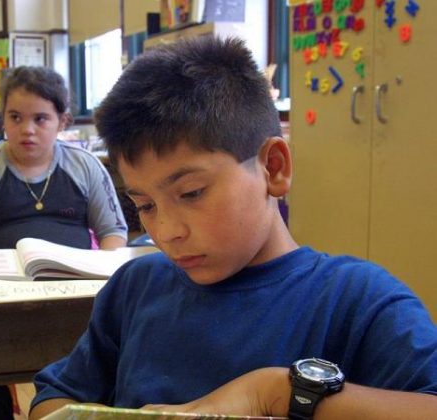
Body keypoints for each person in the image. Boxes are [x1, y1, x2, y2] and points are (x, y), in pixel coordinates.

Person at [30, 37, 437, 419]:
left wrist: (274, 392)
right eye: (146, 206)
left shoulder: (357, 300)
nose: (166, 231)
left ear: (273, 168)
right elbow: (53, 396)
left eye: (191, 193)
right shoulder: (136, 287)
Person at [0, 66, 128, 419]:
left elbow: (114, 233)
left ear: (62, 121)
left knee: (103, 376)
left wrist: (105, 275)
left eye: (40, 119)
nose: (27, 129)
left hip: (73, 300)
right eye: (16, 117)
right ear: (3, 120)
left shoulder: (85, 166)